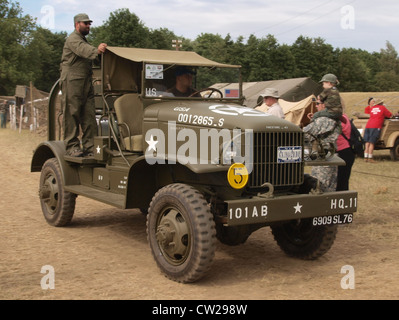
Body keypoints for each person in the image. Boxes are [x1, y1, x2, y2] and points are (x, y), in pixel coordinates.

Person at [60, 13, 107, 157]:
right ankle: (72, 146)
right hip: (72, 82)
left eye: (89, 23)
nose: (88, 26)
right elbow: (84, 50)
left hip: (86, 83)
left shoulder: (84, 41)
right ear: (77, 24)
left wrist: (102, 54)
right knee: (72, 113)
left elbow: (92, 56)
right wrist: (97, 50)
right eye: (85, 23)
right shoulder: (73, 39)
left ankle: (90, 146)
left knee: (89, 116)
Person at [303, 98, 341, 192]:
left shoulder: (323, 119)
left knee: (320, 187)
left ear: (324, 105)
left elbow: (306, 134)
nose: (316, 106)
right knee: (329, 187)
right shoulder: (332, 117)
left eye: (317, 103)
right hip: (329, 155)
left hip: (322, 157)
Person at [336, 113, 355, 191]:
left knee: (340, 182)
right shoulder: (344, 117)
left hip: (342, 152)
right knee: (343, 182)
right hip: (347, 151)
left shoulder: (339, 119)